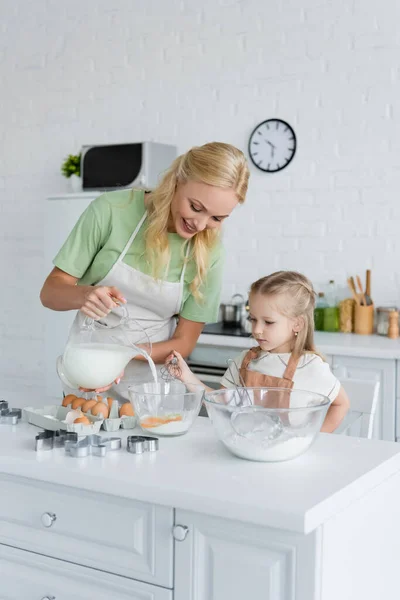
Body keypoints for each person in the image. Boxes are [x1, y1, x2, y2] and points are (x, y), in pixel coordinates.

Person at [40, 142, 250, 401]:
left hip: (152, 388)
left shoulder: (210, 253)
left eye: (217, 219)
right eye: (196, 207)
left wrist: (122, 355)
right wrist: (84, 295)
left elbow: (184, 343)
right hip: (88, 373)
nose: (201, 224)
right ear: (178, 180)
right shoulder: (111, 211)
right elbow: (50, 293)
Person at [166, 271, 350, 433]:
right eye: (253, 319)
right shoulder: (245, 361)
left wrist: (316, 437)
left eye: (268, 322)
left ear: (297, 324)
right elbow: (220, 405)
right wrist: (187, 377)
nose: (257, 329)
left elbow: (341, 404)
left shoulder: (311, 367)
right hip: (245, 451)